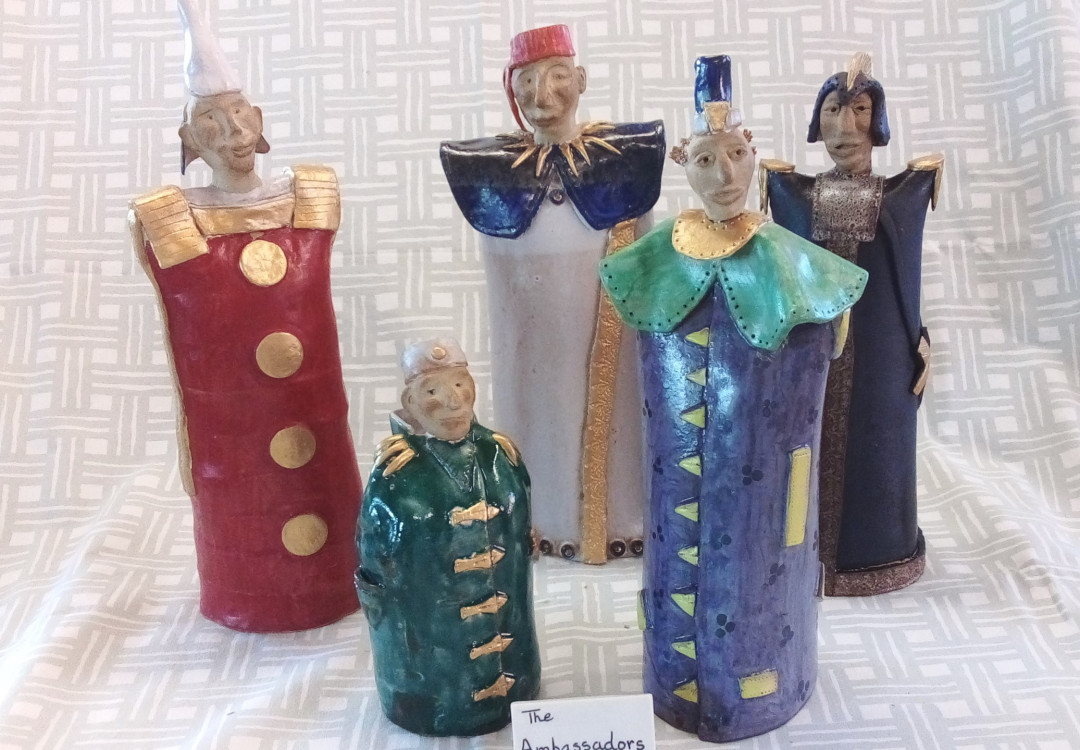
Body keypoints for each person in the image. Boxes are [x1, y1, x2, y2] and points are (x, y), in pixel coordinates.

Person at [599, 55, 867, 743]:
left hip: (772, 517)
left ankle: (762, 683)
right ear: (683, 166)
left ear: (753, 154)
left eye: (737, 155)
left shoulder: (800, 268)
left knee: (758, 589)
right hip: (670, 507)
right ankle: (674, 682)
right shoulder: (653, 262)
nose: (725, 175)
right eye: (705, 159)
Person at [127, 0, 361, 632]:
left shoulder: (311, 197)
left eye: (239, 115)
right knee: (246, 507)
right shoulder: (168, 221)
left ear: (259, 123)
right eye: (210, 121)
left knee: (321, 477)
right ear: (191, 143)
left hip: (315, 412)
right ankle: (248, 596)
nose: (230, 132)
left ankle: (344, 582)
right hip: (228, 431)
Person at [440, 25, 666, 563]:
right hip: (530, 338)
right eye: (527, 81)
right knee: (537, 409)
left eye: (557, 76)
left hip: (615, 331)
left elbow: (646, 267)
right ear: (510, 89)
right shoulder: (493, 173)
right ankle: (540, 520)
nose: (542, 94)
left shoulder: (623, 162)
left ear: (581, 80)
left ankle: (623, 518)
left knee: (623, 410)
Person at [761, 52, 944, 596]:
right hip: (809, 358)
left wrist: (917, 347)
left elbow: (905, 282)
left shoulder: (904, 195)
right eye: (834, 111)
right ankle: (802, 555)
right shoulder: (791, 193)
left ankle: (879, 553)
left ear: (877, 120)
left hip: (884, 362)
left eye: (859, 109)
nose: (845, 127)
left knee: (881, 447)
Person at [356, 339, 540, 736]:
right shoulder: (396, 476)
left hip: (516, 672)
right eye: (433, 391)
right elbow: (376, 588)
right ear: (410, 402)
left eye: (460, 384)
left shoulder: (500, 456)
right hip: (424, 689)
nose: (453, 401)